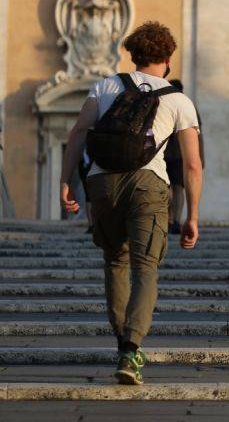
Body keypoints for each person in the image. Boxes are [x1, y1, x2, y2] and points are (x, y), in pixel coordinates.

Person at [59, 21, 202, 386]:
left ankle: (123, 342)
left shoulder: (106, 85)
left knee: (114, 261)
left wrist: (66, 183)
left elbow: (77, 133)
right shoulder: (179, 100)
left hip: (101, 185)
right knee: (145, 266)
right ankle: (132, 349)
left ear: (133, 55)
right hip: (148, 185)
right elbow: (192, 164)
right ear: (168, 58)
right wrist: (191, 216)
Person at [163, 79, 203, 234]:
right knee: (175, 189)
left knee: (173, 188)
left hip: (174, 155)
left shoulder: (167, 104)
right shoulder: (188, 106)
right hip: (178, 155)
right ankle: (173, 220)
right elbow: (198, 137)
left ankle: (173, 219)